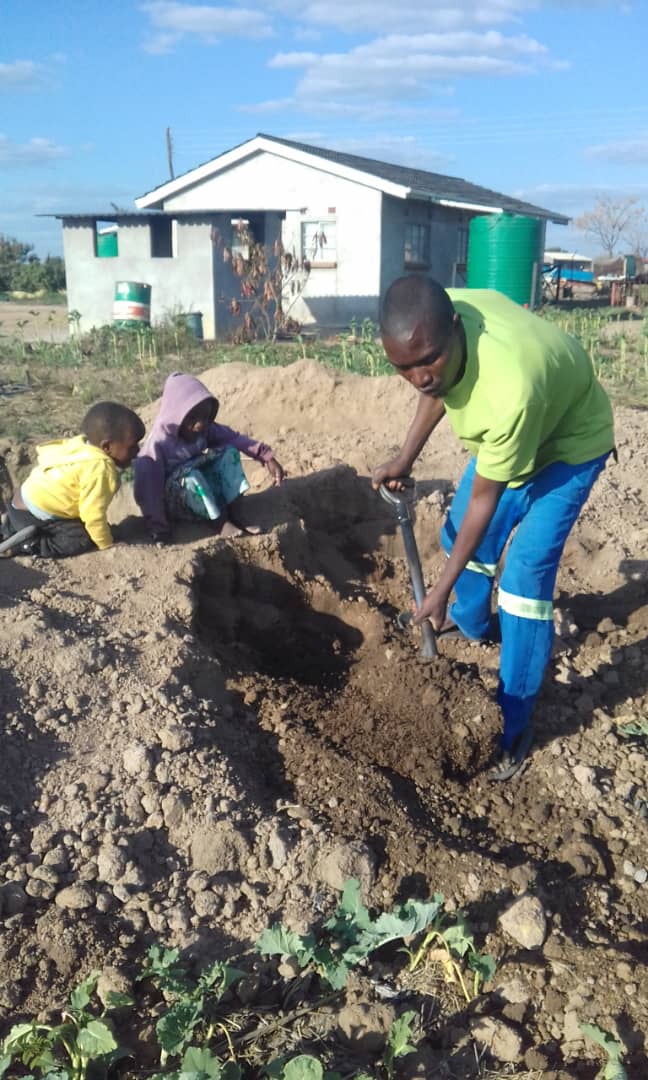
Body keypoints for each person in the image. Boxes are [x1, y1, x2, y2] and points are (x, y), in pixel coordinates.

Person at [373, 276, 614, 780]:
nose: (418, 376)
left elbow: (487, 497)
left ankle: (512, 723)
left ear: (455, 330)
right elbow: (438, 388)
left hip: (570, 443)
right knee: (460, 529)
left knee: (525, 578)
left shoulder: (510, 389)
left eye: (428, 359)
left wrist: (436, 589)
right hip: (526, 426)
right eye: (404, 366)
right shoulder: (443, 326)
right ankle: (474, 621)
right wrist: (403, 458)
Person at [134, 371, 284, 543]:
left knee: (229, 453)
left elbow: (233, 438)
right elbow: (148, 491)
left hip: (201, 491)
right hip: (177, 504)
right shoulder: (157, 446)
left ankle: (236, 513)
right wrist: (159, 528)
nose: (200, 424)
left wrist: (266, 456)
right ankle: (219, 522)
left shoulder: (204, 429)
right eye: (192, 418)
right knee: (189, 475)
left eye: (205, 418)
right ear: (175, 414)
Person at [2, 401, 145, 558]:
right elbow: (93, 515)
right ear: (106, 447)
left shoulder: (82, 445)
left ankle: (9, 528)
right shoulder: (100, 469)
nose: (138, 451)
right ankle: (28, 543)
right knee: (81, 538)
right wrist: (106, 544)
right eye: (132, 446)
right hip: (34, 516)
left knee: (86, 526)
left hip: (20, 502)